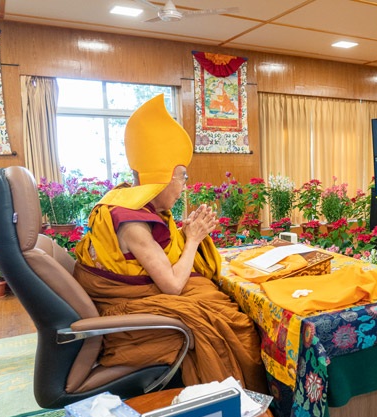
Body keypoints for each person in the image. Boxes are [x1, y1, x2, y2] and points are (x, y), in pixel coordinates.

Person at [72, 95, 267, 392]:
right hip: (130, 322)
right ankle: (237, 403)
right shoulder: (133, 223)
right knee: (236, 323)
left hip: (139, 301)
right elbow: (173, 286)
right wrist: (193, 239)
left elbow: (152, 255)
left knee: (222, 302)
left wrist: (183, 232)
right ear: (161, 178)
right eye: (182, 177)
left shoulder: (124, 200)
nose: (184, 186)